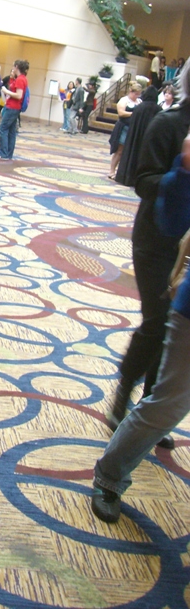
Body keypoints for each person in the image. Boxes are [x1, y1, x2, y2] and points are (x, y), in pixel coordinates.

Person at [91, 127, 190, 524]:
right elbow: (171, 218)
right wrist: (184, 172)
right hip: (157, 252)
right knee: (169, 402)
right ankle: (110, 474)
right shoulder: (169, 125)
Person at [107, 59, 190, 445]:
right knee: (157, 322)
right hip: (156, 240)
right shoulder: (168, 124)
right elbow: (143, 181)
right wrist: (182, 173)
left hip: (186, 248)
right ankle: (123, 392)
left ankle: (149, 411)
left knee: (173, 328)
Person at [115, 86, 161, 187]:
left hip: (135, 137)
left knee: (131, 155)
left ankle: (126, 177)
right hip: (149, 139)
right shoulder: (158, 109)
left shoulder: (139, 108)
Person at [107, 83, 142, 179]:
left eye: (138, 94)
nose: (137, 96)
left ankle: (122, 172)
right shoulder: (124, 100)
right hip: (123, 128)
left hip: (133, 128)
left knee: (129, 151)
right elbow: (121, 113)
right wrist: (133, 113)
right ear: (131, 91)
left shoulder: (139, 101)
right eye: (135, 94)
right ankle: (112, 170)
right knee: (119, 150)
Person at [0, 59, 29, 159]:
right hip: (15, 108)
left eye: (13, 66)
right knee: (11, 131)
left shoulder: (20, 79)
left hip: (12, 107)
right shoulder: (23, 78)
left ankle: (4, 154)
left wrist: (6, 91)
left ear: (16, 67)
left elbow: (19, 95)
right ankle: (8, 154)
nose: (12, 68)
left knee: (2, 129)